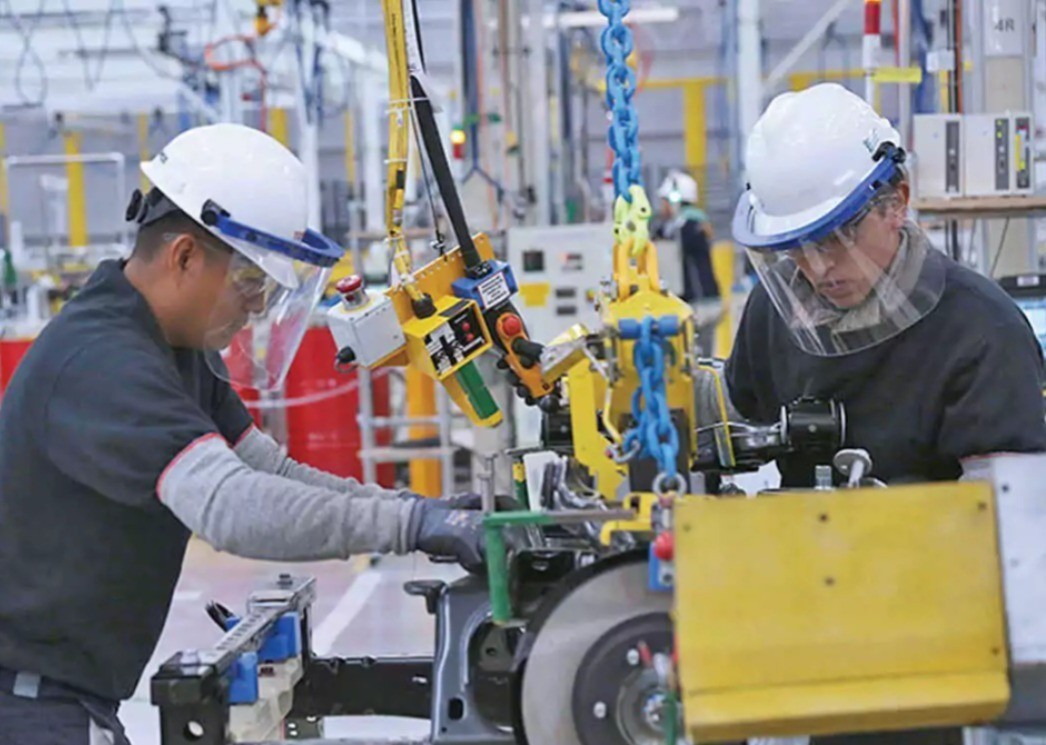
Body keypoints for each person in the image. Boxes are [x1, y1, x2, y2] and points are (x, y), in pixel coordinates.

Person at [0, 123, 488, 745]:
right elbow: (231, 508)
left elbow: (267, 472)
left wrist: (417, 511)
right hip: (27, 705)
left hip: (71, 698)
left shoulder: (174, 348)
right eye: (252, 283)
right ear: (184, 257)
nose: (257, 308)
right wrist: (410, 527)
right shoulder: (101, 361)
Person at [726, 84, 1046, 740]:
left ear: (896, 201)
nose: (817, 269)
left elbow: (1017, 553)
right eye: (797, 247)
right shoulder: (772, 315)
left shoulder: (980, 332)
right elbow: (739, 440)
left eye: (840, 236)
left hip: (943, 660)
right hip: (809, 642)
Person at [656, 170, 721, 355]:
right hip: (694, 304)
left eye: (665, 201)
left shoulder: (690, 226)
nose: (662, 206)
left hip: (700, 305)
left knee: (699, 360)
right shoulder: (677, 227)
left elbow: (680, 243)